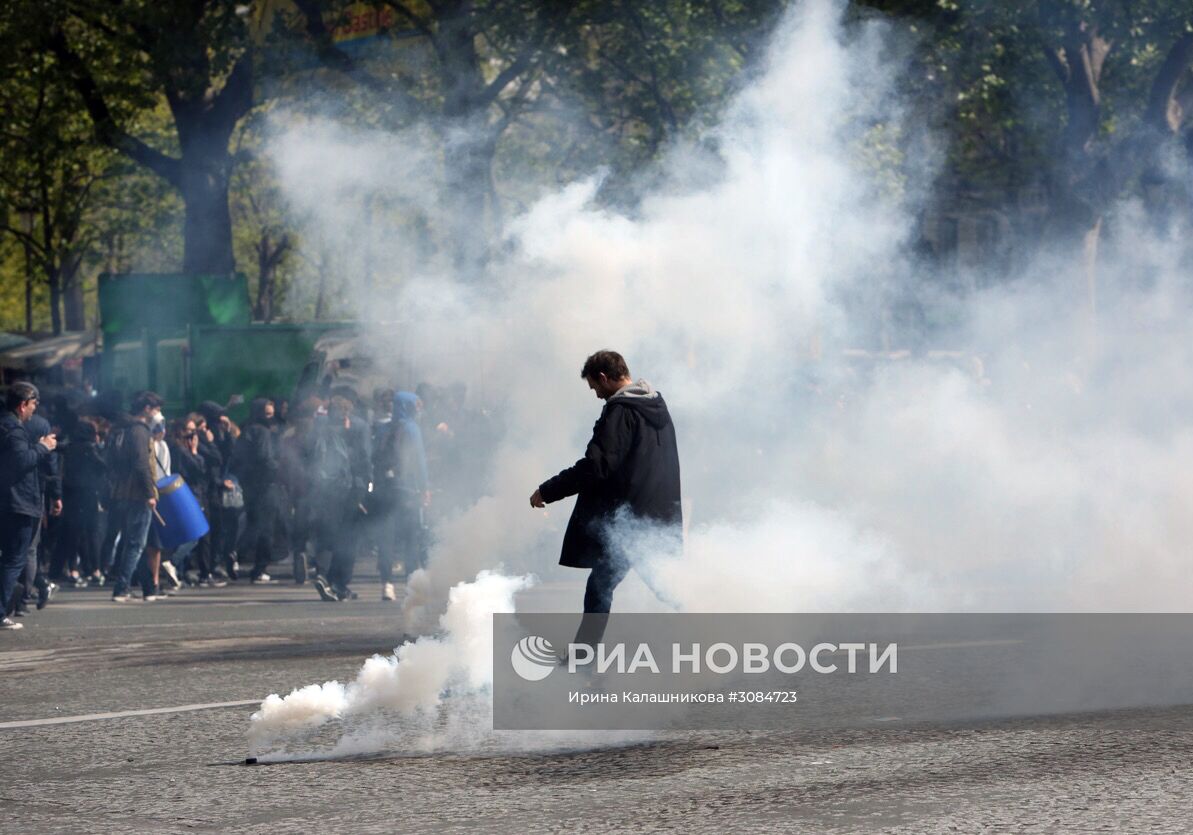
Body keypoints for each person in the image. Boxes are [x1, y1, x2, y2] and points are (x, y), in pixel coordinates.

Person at [530, 350, 682, 650]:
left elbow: (596, 466)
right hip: (653, 515)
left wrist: (548, 490)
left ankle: (581, 662)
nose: (597, 395)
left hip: (630, 521)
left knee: (614, 587)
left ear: (603, 377)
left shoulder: (621, 411)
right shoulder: (656, 405)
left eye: (595, 387)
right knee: (654, 586)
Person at [0, 382, 57, 630]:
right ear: (23, 404)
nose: (35, 410)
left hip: (9, 500)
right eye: (34, 404)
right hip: (18, 502)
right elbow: (21, 461)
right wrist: (43, 447)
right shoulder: (14, 431)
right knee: (14, 559)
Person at [373, 391, 430, 602]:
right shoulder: (412, 429)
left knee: (386, 539)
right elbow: (420, 461)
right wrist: (425, 487)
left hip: (386, 489)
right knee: (410, 539)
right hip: (408, 491)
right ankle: (410, 584)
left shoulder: (383, 428)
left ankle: (386, 584)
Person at [107, 391, 162, 602]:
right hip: (138, 494)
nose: (158, 413)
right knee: (136, 543)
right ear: (147, 409)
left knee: (138, 540)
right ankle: (122, 588)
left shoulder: (123, 429)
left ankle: (149, 588)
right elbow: (142, 464)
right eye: (156, 409)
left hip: (123, 492)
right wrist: (150, 493)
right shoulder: (140, 431)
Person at [228, 398, 282, 583]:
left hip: (249, 484)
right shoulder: (263, 432)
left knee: (253, 524)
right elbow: (264, 457)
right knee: (266, 528)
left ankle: (236, 552)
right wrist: (278, 468)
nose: (271, 417)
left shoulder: (247, 430)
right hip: (266, 484)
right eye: (267, 413)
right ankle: (259, 569)